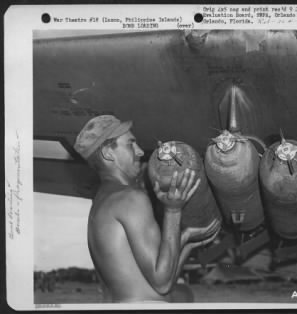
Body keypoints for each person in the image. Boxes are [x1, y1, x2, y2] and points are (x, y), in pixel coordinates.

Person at [74, 115, 220, 303]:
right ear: (108, 153)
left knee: (184, 294)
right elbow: (162, 283)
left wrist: (187, 240)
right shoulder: (131, 198)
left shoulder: (101, 203)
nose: (141, 151)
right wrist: (173, 211)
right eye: (130, 144)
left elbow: (156, 280)